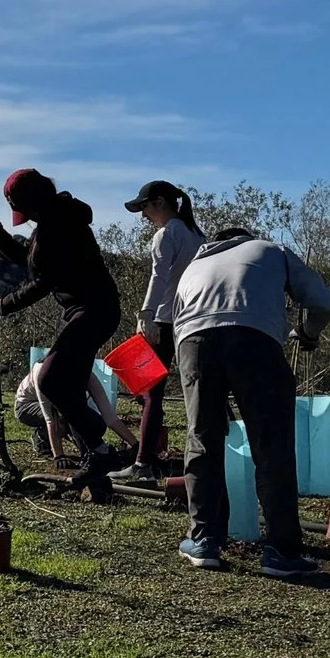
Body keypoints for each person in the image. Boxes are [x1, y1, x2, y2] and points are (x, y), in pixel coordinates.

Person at [171, 225, 330, 578]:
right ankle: (281, 551)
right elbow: (323, 302)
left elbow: (179, 325)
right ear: (247, 238)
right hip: (255, 342)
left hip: (193, 344)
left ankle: (204, 540)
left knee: (202, 438)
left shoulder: (195, 264)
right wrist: (308, 333)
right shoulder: (271, 250)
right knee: (271, 443)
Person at [0, 169, 126, 497]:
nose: (25, 219)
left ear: (33, 205)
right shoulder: (56, 219)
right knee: (67, 388)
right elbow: (31, 262)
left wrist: (1, 306)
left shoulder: (59, 226)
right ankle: (96, 467)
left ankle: (99, 451)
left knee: (49, 380)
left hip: (93, 311)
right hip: (87, 312)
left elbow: (41, 282)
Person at [125, 181, 203, 472]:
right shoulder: (197, 235)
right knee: (199, 389)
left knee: (149, 391)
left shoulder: (166, 234)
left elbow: (158, 277)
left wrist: (145, 314)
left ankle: (143, 462)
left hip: (162, 320)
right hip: (190, 321)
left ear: (159, 203)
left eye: (144, 207)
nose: (144, 215)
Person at [13, 355, 137, 465]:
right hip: (26, 405)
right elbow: (51, 419)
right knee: (64, 416)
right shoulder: (44, 374)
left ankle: (88, 450)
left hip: (60, 407)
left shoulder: (87, 375)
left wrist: (136, 445)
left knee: (96, 424)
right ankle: (42, 437)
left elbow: (110, 416)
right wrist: (59, 455)